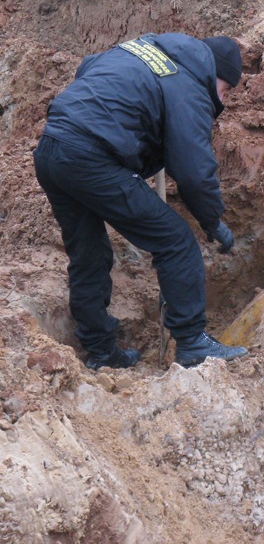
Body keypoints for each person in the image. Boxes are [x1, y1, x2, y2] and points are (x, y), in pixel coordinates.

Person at [33, 32, 249, 370]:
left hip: (52, 147)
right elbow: (194, 172)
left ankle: (101, 351)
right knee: (176, 241)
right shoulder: (191, 86)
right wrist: (212, 222)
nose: (225, 98)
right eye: (227, 89)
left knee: (88, 252)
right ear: (215, 73)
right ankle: (192, 342)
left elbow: (89, 69)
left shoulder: (144, 49)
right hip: (90, 157)